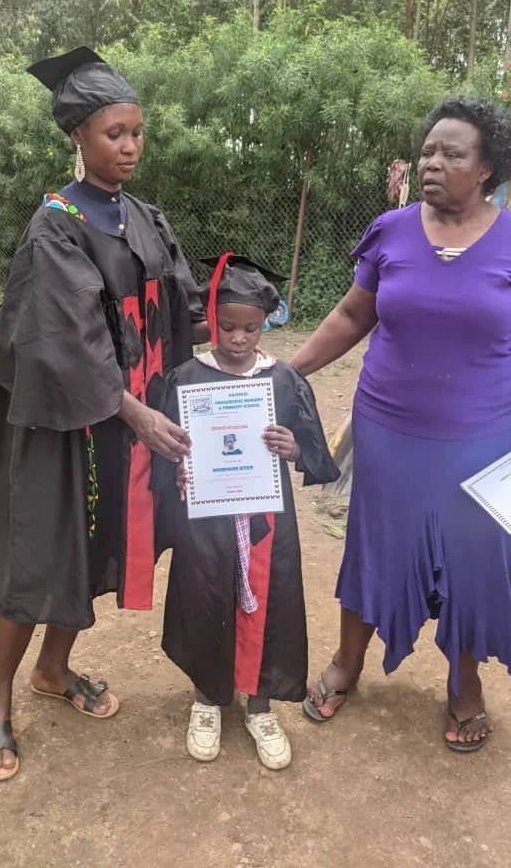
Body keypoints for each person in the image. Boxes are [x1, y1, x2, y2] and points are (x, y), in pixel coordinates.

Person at [291, 97, 511, 752]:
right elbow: (351, 315)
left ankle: (465, 685)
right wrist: (290, 370)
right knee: (376, 545)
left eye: (452, 154)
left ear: (486, 168)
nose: (433, 163)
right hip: (388, 430)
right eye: (428, 151)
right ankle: (347, 664)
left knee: (473, 560)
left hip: (482, 441)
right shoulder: (391, 232)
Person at [0, 47, 208, 781]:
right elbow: (60, 342)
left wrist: (239, 328)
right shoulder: (57, 225)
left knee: (96, 549)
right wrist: (134, 413)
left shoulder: (143, 217)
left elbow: (180, 307)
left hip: (130, 423)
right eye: (114, 134)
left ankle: (53, 669)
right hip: (66, 422)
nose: (130, 147)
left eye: (137, 132)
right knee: (43, 550)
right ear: (78, 135)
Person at [153, 254, 339, 770]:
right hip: (205, 519)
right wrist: (178, 471)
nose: (238, 338)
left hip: (265, 521)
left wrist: (292, 448)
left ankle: (260, 707)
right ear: (211, 318)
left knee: (269, 604)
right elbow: (163, 450)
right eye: (227, 326)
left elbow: (314, 453)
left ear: (266, 323)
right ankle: (207, 700)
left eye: (250, 328)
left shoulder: (283, 380)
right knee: (203, 598)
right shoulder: (186, 377)